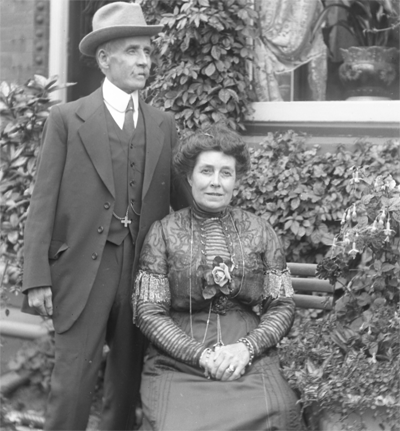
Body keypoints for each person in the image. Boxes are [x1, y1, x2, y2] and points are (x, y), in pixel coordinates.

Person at [21, 3, 189, 431]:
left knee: (127, 385)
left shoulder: (163, 124)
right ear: (104, 59)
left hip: (142, 275)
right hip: (82, 272)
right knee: (72, 382)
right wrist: (37, 276)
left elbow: (182, 206)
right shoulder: (66, 119)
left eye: (147, 52)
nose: (143, 61)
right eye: (132, 51)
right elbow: (42, 202)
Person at [133, 123, 304, 431]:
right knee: (176, 424)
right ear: (189, 176)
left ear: (236, 179)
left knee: (278, 411)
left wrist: (247, 348)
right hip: (179, 356)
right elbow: (148, 313)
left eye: (226, 173)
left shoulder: (260, 229)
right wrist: (200, 355)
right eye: (206, 171)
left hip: (248, 352)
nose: (216, 182)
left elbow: (281, 305)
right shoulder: (163, 232)